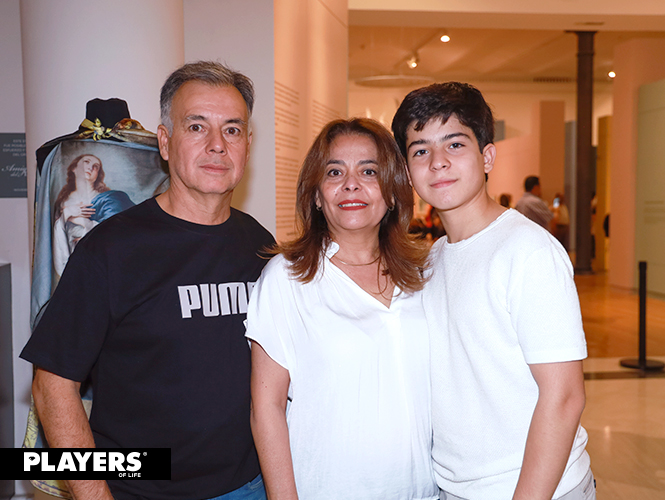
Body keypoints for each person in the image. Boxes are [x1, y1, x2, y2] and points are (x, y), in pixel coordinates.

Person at [20, 61, 274, 500]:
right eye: (197, 127)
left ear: (247, 145)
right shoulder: (110, 249)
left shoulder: (260, 245)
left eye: (232, 130)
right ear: (165, 141)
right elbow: (51, 386)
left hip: (248, 487)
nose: (217, 145)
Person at [392, 82, 594, 500]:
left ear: (486, 156)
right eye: (420, 150)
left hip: (534, 489)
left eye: (455, 144)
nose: (438, 162)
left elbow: (564, 396)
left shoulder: (527, 250)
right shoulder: (432, 259)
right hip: (455, 486)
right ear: (407, 170)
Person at [246, 118, 438, 500]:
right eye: (335, 172)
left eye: (369, 171)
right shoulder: (287, 277)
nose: (351, 184)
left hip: (424, 491)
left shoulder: (424, 274)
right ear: (317, 195)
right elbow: (266, 407)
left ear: (392, 191)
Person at [52, 153, 135, 276]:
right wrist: (67, 213)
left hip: (102, 265)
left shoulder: (110, 199)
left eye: (96, 166)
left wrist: (79, 221)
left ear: (98, 175)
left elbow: (118, 233)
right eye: (86, 162)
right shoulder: (62, 202)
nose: (91, 167)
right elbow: (58, 238)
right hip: (74, 265)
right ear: (74, 168)